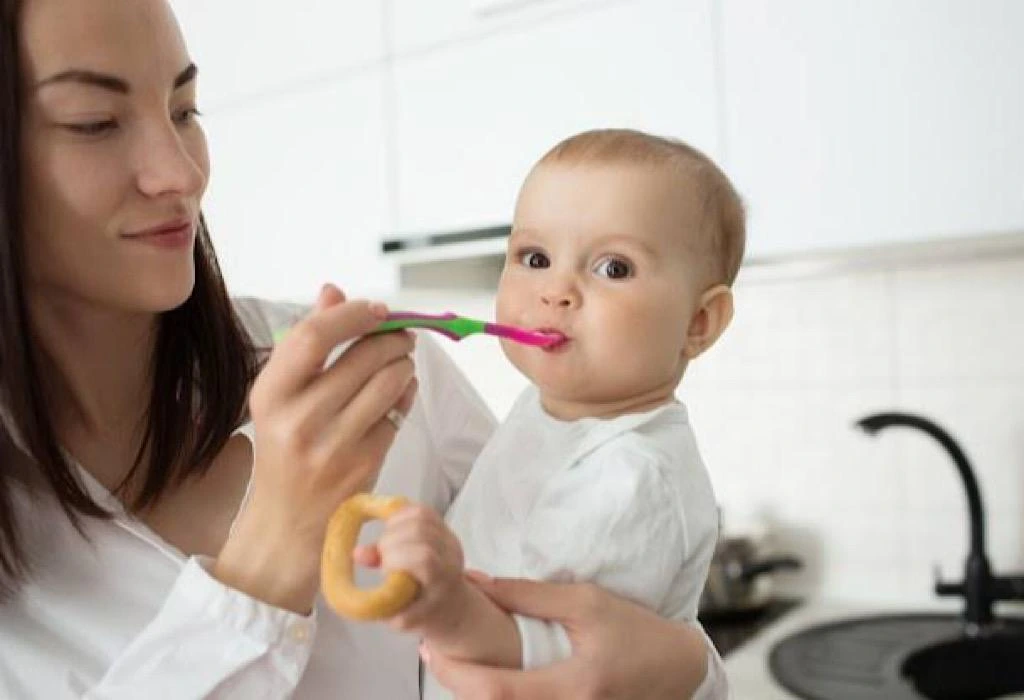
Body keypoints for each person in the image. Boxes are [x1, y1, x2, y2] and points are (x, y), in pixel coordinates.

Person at [0, 0, 723, 697]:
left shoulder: (379, 376)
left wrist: (686, 667)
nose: (181, 174)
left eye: (185, 111)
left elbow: (588, 621)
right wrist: (268, 555)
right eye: (93, 122)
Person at [364, 129, 743, 700]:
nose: (556, 290)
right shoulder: (552, 413)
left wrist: (444, 603)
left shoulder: (629, 475)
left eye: (614, 268)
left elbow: (558, 652)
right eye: (534, 258)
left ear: (699, 323)